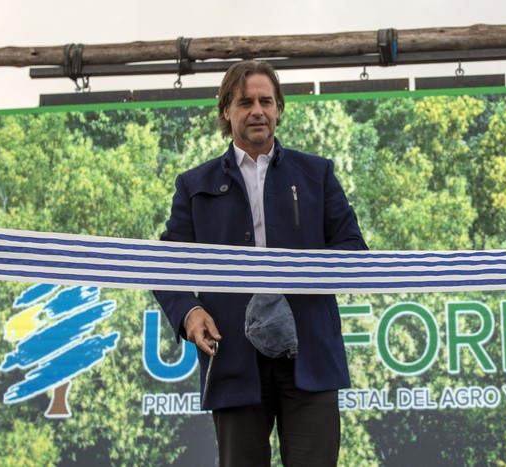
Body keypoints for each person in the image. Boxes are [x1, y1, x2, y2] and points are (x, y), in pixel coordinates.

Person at [153, 60, 368, 466]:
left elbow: (353, 248)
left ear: (278, 109)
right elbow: (167, 266)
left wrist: (302, 270)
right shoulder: (193, 185)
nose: (257, 110)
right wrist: (190, 312)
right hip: (233, 357)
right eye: (245, 101)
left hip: (310, 357)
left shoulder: (316, 174)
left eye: (266, 101)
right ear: (226, 111)